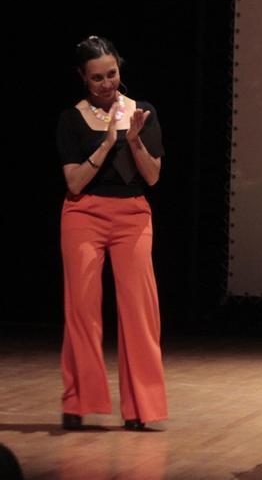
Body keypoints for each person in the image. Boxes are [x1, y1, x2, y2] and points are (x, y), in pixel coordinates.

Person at [56, 36, 167, 431]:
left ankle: (140, 408)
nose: (107, 84)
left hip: (133, 215)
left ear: (120, 68)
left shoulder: (143, 112)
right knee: (82, 309)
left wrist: (133, 138)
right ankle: (79, 400)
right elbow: (74, 182)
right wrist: (105, 144)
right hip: (84, 213)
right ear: (83, 79)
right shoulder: (71, 118)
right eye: (97, 78)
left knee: (140, 312)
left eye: (112, 74)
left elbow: (152, 176)